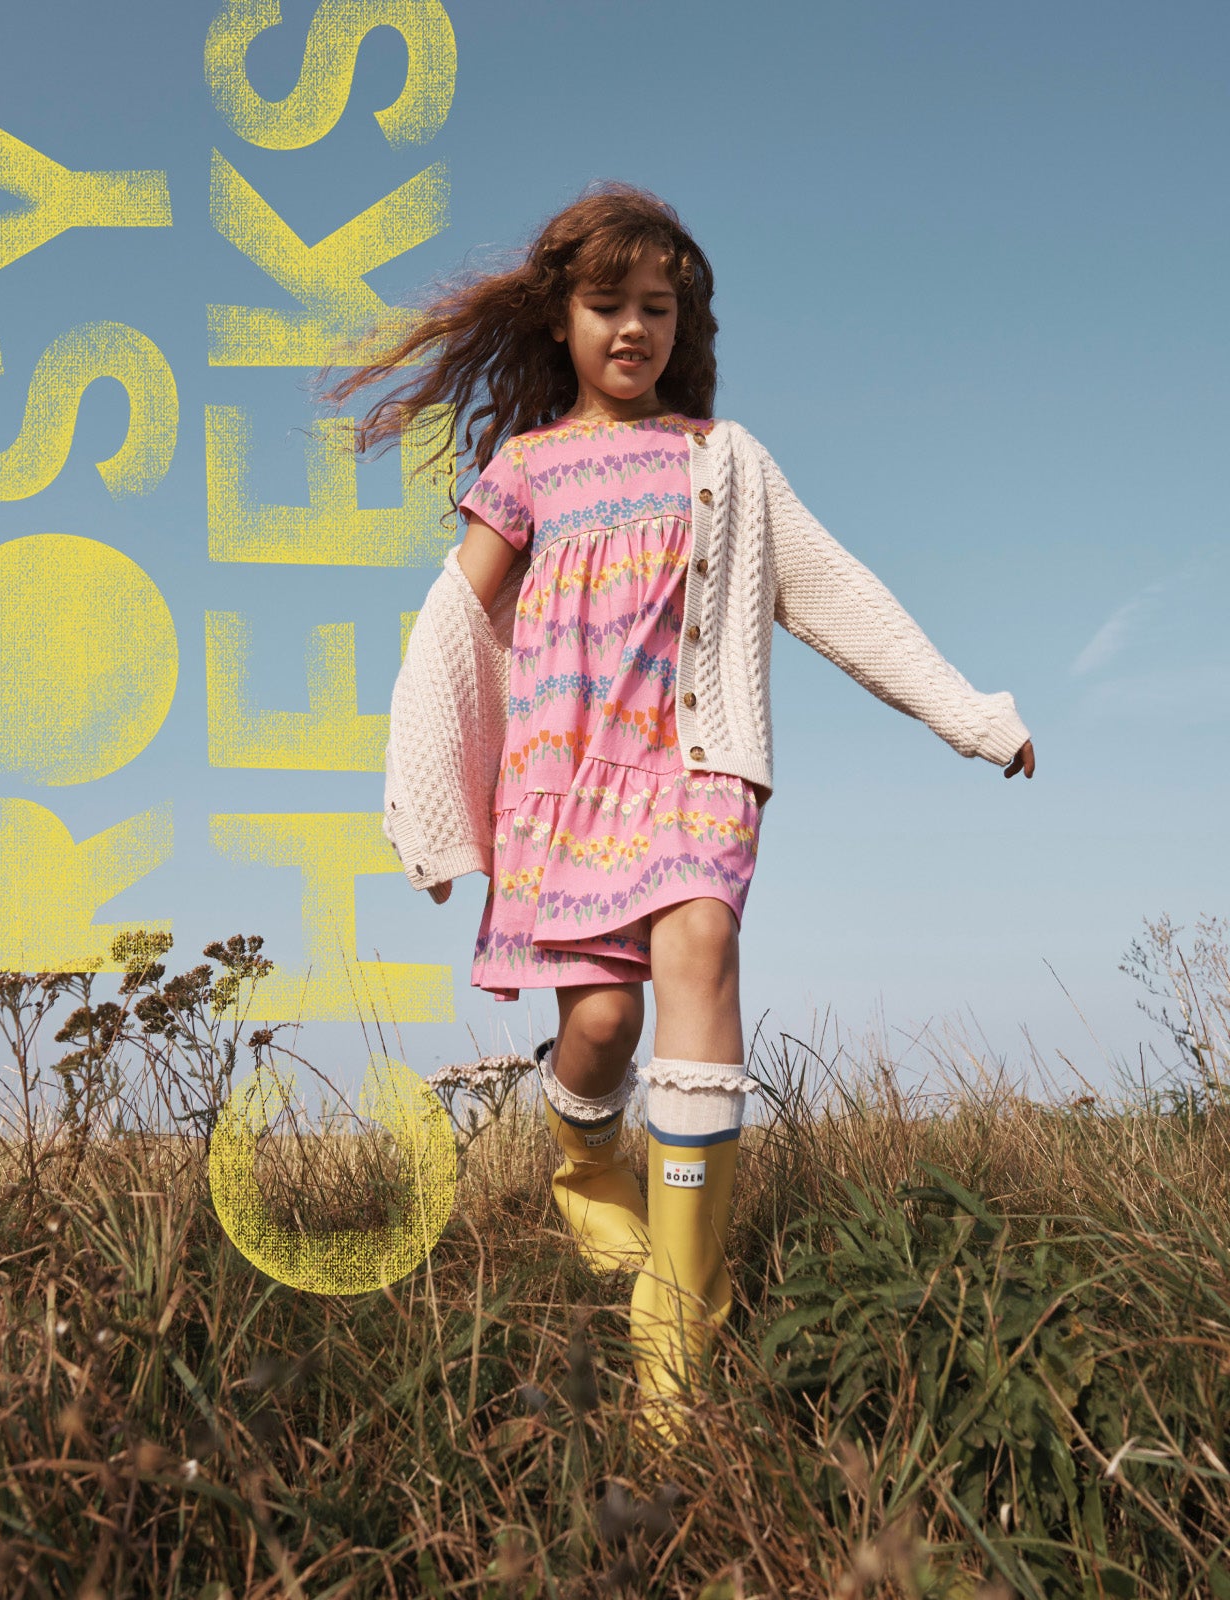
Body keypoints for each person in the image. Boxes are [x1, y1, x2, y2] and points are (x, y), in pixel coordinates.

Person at [331, 182, 1035, 1442]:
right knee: (597, 1027)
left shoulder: (725, 463)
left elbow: (839, 595)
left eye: (656, 307)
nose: (631, 329)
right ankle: (582, 1159)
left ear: (681, 323)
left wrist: (966, 712)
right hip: (563, 781)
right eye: (606, 305)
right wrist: (428, 792)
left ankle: (675, 1345)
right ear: (560, 319)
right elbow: (451, 620)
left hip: (693, 770)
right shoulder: (528, 468)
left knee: (700, 948)